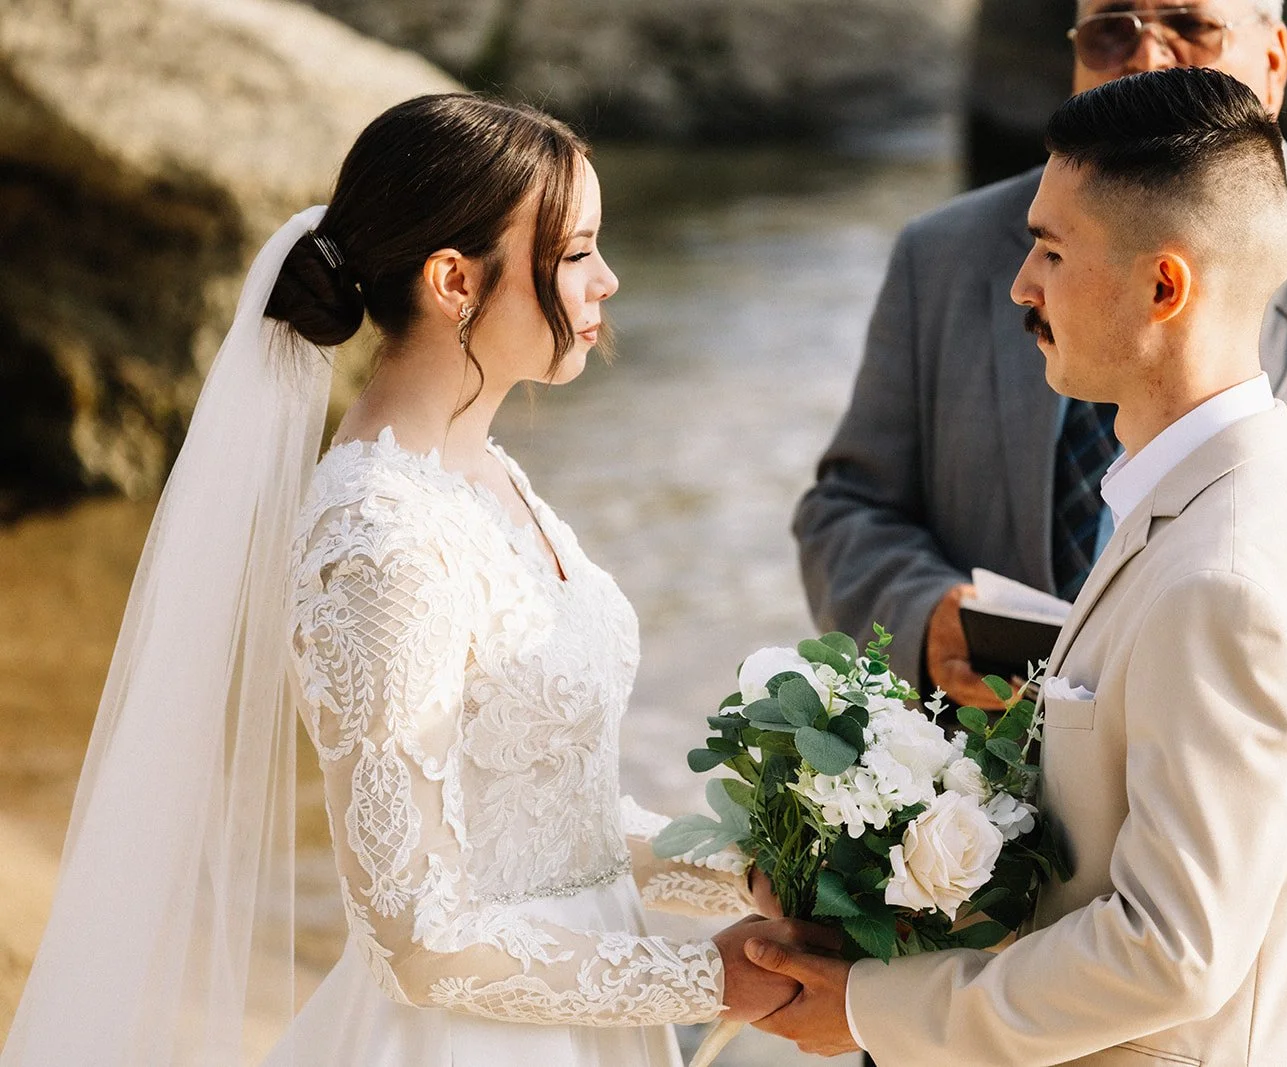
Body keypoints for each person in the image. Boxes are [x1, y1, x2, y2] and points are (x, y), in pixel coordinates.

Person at [1, 94, 807, 1067]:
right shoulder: (378, 539)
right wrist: (707, 977)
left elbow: (550, 824)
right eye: (577, 250)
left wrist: (760, 867)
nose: (609, 278)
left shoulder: (485, 470)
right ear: (453, 279)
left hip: (579, 1012)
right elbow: (420, 941)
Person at [749, 67, 1287, 1066]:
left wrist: (876, 1007)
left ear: (1162, 285)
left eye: (1051, 250)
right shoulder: (1279, 505)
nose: (1022, 285)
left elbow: (1169, 950)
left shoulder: (1228, 575)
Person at [793, 0, 1287, 726]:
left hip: (1250, 804)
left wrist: (1263, 698)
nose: (1146, 57)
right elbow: (848, 508)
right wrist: (924, 617)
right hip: (961, 818)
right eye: (1112, 30)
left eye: (1189, 26)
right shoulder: (941, 254)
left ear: (1272, 63)